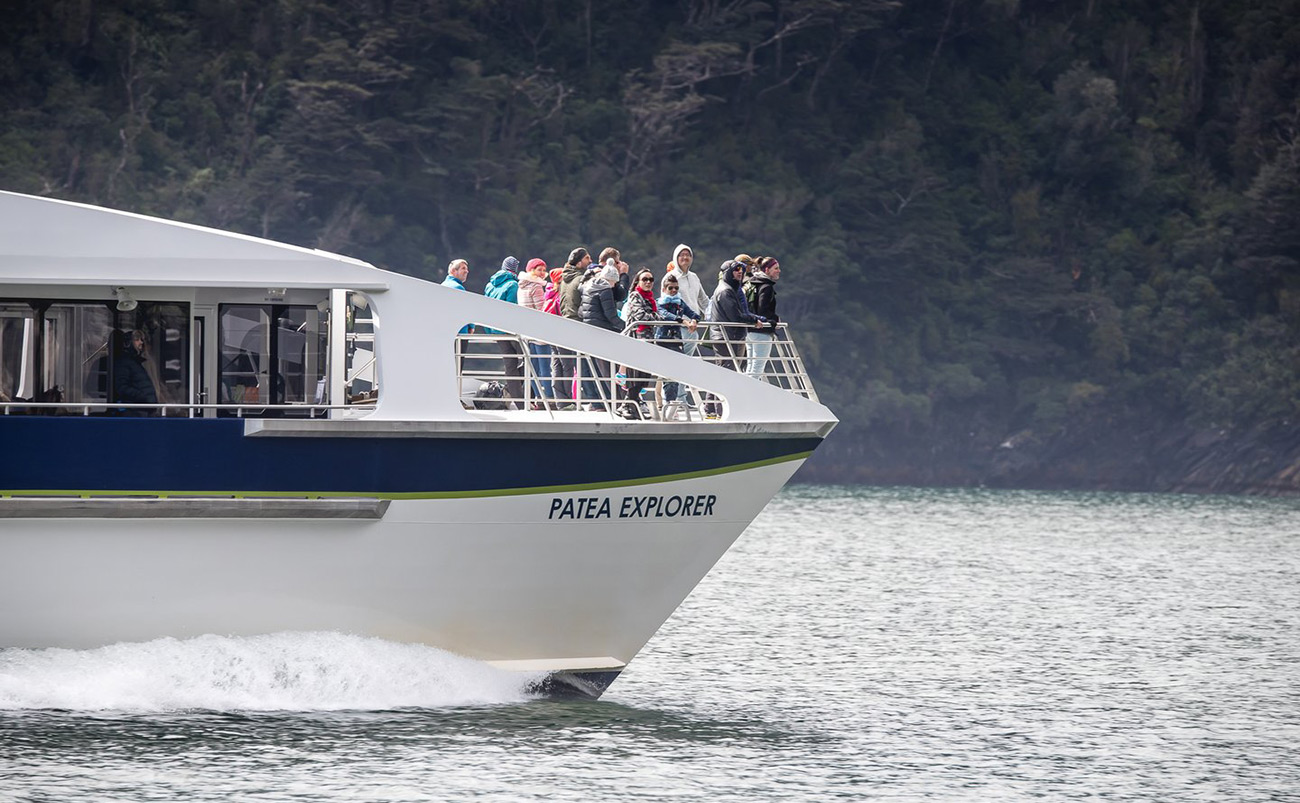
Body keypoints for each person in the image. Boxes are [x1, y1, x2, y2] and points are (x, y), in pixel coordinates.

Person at [707, 259, 768, 372]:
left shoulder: (731, 289)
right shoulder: (725, 291)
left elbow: (740, 313)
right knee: (727, 373)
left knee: (731, 372)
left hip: (731, 336)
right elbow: (735, 316)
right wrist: (754, 320)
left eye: (742, 269)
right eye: (736, 269)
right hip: (726, 337)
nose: (740, 272)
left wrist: (759, 319)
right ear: (727, 273)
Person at [578, 259, 623, 409]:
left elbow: (581, 311)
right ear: (611, 279)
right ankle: (618, 403)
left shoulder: (588, 286)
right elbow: (611, 315)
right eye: (615, 282)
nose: (615, 285)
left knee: (599, 370)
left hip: (588, 332)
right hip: (603, 333)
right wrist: (625, 327)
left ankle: (609, 402)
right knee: (609, 371)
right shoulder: (605, 289)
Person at [554, 247, 592, 405]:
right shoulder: (581, 279)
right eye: (587, 258)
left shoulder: (564, 279)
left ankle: (562, 402)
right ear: (579, 262)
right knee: (581, 366)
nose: (590, 261)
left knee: (562, 366)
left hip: (564, 323)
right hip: (578, 324)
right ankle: (594, 401)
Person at [484, 256, 524, 406]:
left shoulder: (490, 285)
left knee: (510, 365)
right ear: (514, 269)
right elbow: (513, 310)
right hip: (511, 331)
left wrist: (490, 330)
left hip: (496, 331)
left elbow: (485, 308)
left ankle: (518, 401)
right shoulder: (513, 284)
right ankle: (521, 397)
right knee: (530, 361)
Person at [655, 273, 701, 405]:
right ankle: (667, 401)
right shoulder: (659, 302)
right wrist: (683, 321)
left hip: (676, 341)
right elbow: (664, 315)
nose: (674, 291)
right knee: (666, 373)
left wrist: (693, 321)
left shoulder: (679, 302)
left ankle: (672, 402)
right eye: (670, 288)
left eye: (676, 288)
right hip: (663, 341)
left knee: (675, 372)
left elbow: (694, 314)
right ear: (664, 289)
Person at [518, 258, 554, 405]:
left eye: (544, 270)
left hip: (527, 331)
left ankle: (539, 398)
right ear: (531, 271)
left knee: (533, 368)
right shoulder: (537, 287)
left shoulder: (521, 286)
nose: (542, 273)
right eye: (539, 269)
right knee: (545, 367)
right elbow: (542, 311)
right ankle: (549, 399)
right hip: (540, 333)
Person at [743, 256, 781, 381]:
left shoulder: (752, 283)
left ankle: (745, 393)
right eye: (775, 268)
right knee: (757, 368)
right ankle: (749, 396)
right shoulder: (766, 287)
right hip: (762, 331)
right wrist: (774, 320)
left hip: (750, 330)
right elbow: (762, 310)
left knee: (750, 366)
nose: (779, 271)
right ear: (766, 270)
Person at [666, 244, 707, 357]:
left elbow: (703, 299)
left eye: (688, 255)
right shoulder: (670, 277)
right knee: (677, 359)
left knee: (686, 359)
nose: (685, 257)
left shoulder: (694, 277)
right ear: (676, 258)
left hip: (693, 326)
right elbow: (666, 302)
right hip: (678, 326)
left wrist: (711, 315)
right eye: (682, 255)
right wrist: (682, 320)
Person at [115, 328, 158, 416]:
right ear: (128, 343)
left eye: (141, 339)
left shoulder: (136, 363)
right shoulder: (124, 362)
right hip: (135, 412)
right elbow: (122, 387)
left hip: (143, 410)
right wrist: (143, 397)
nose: (141, 342)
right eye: (137, 340)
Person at [443, 259, 473, 377]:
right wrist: (471, 326)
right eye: (463, 268)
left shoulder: (442, 286)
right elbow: (466, 309)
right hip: (460, 333)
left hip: (445, 333)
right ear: (453, 271)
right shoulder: (458, 288)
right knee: (457, 365)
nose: (467, 271)